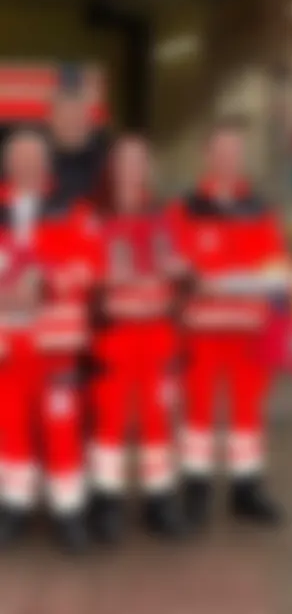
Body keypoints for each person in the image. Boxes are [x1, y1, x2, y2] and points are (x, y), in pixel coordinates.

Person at [168, 122, 292, 531]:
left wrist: (286, 279)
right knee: (199, 414)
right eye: (221, 152)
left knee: (247, 415)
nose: (228, 160)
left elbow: (278, 262)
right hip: (201, 333)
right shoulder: (185, 209)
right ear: (208, 157)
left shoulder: (258, 208)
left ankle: (246, 491)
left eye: (234, 153)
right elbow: (168, 262)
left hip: (249, 333)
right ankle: (196, 493)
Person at [0, 129, 98, 551]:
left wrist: (47, 280)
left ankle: (68, 511)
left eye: (33, 157)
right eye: (17, 158)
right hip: (6, 344)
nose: (25, 165)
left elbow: (93, 263)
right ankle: (14, 507)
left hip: (55, 344)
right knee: (9, 429)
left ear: (47, 164)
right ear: (7, 164)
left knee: (62, 426)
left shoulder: (74, 209)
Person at [87, 135, 188, 543]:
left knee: (158, 423)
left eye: (139, 162)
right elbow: (82, 273)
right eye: (124, 162)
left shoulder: (165, 217)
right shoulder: (94, 217)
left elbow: (182, 271)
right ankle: (107, 504)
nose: (132, 170)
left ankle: (158, 503)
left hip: (158, 339)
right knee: (109, 423)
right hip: (113, 338)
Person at [47, 65, 108, 210]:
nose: (72, 121)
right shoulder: (36, 160)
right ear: (51, 118)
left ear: (90, 117)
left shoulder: (109, 159)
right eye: (65, 114)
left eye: (77, 113)